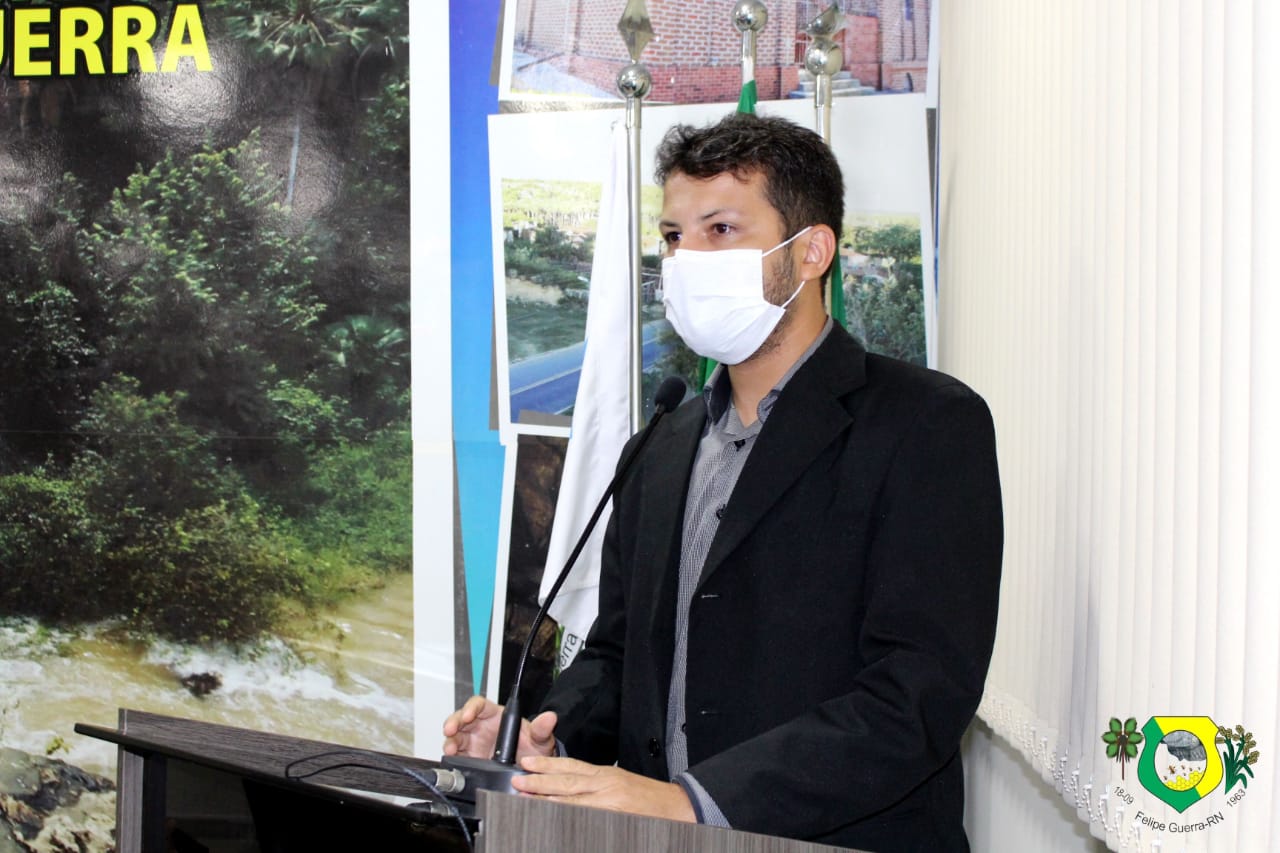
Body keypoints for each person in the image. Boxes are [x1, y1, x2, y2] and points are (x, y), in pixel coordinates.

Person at [443, 113, 1003, 852]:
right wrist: (540, 734)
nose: (687, 259)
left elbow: (917, 693)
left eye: (721, 230)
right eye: (674, 236)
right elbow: (618, 654)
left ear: (811, 251)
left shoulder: (925, 423)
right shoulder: (662, 444)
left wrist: (696, 802)